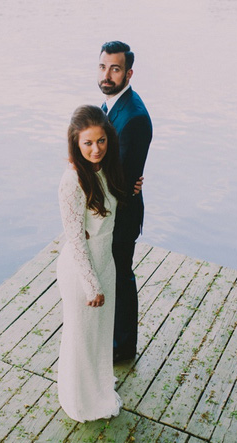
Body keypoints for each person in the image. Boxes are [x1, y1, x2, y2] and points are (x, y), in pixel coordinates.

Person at [56, 105, 125, 422]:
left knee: (99, 334)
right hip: (82, 271)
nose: (96, 149)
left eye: (101, 141)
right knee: (81, 336)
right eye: (88, 143)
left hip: (104, 261)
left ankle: (97, 387)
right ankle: (79, 399)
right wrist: (91, 284)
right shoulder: (72, 181)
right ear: (75, 143)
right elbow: (75, 240)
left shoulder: (105, 170)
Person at [98, 41, 153, 363]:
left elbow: (122, 183)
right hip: (112, 208)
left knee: (120, 276)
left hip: (122, 212)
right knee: (113, 274)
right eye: (103, 67)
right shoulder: (109, 105)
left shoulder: (133, 117)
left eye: (115, 68)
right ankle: (114, 336)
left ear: (128, 73)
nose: (107, 74)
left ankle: (123, 347)